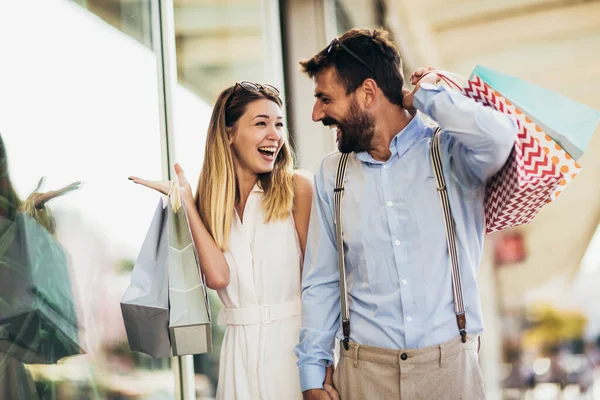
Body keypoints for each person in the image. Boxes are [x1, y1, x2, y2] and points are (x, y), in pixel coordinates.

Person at [295, 28, 518, 399]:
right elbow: (322, 282)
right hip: (363, 375)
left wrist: (428, 95)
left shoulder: (450, 154)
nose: (318, 113)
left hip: (450, 373)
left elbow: (499, 137)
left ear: (368, 93)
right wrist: (312, 375)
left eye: (325, 98)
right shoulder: (330, 175)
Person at [129, 82, 313, 399]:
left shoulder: (298, 188)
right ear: (228, 134)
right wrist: (186, 202)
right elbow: (218, 277)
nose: (275, 135)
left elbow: (322, 286)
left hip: (295, 353)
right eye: (261, 124)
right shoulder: (212, 206)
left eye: (278, 124)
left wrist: (321, 368)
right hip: (238, 358)